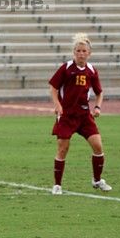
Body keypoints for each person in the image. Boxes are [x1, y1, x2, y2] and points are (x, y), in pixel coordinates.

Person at [49, 32, 111, 195]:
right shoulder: (66, 68)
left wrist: (97, 107)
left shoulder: (91, 71)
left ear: (89, 53)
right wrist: (57, 105)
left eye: (84, 51)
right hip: (67, 116)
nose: (81, 53)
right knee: (63, 149)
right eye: (78, 51)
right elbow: (53, 88)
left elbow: (99, 92)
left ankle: (97, 180)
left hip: (84, 116)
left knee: (98, 146)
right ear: (73, 52)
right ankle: (57, 185)